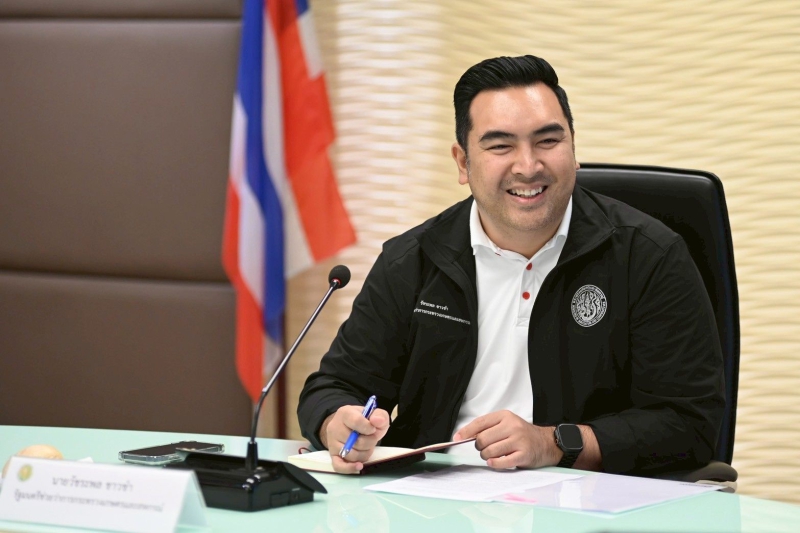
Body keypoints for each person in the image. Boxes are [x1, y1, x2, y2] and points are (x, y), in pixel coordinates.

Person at [298, 55, 725, 475]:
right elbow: (333, 388)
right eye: (501, 146)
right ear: (463, 163)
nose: (528, 166)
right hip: (432, 499)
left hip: (588, 499)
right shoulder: (413, 260)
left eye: (548, 141)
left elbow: (689, 424)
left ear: (573, 148)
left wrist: (553, 443)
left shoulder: (648, 255)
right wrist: (338, 423)